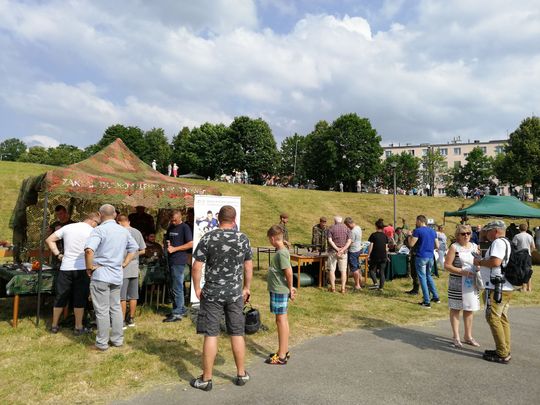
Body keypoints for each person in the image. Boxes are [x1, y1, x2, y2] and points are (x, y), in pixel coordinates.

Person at [190, 205, 253, 391]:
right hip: (234, 294)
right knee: (237, 332)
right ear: (234, 219)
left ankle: (206, 379)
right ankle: (241, 374)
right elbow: (248, 267)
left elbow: (196, 267)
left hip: (212, 294)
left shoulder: (208, 237)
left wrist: (197, 289)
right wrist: (246, 288)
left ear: (218, 219)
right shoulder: (242, 238)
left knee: (211, 334)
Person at [84, 204, 138, 351]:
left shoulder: (99, 230)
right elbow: (134, 248)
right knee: (115, 308)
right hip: (116, 275)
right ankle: (117, 340)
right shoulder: (124, 231)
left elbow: (89, 251)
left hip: (101, 274)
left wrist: (89, 268)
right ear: (115, 215)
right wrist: (124, 263)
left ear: (99, 215)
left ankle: (102, 343)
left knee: (102, 310)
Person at [45, 212, 101, 334]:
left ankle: (54, 325)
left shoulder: (68, 227)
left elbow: (49, 240)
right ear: (93, 221)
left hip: (65, 267)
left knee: (60, 296)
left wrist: (58, 255)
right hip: (83, 268)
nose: (97, 226)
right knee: (79, 297)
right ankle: (78, 327)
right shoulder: (93, 231)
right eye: (97, 223)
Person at [473, 220, 513, 364]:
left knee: (493, 318)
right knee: (502, 318)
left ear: (495, 231)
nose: (486, 234)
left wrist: (480, 262)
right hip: (505, 286)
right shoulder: (507, 242)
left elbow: (496, 262)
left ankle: (502, 353)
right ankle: (504, 349)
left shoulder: (498, 243)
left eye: (488, 231)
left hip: (496, 287)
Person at [444, 224, 481, 348]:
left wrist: (479, 266)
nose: (466, 236)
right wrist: (462, 272)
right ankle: (456, 336)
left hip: (471, 283)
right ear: (458, 235)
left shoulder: (475, 246)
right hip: (457, 283)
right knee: (456, 308)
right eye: (463, 234)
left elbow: (478, 261)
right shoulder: (454, 247)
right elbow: (447, 265)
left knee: (469, 309)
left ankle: (468, 336)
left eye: (468, 233)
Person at [265, 225, 296, 365]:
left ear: (273, 238)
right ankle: (283, 350)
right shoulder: (281, 251)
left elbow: (288, 271)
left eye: (269, 239)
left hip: (280, 290)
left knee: (280, 321)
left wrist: (290, 288)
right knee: (282, 320)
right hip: (278, 289)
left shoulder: (282, 253)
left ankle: (282, 356)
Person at [163, 210, 193, 322]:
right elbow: (168, 240)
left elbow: (191, 243)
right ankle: (180, 308)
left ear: (180, 218)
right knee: (173, 286)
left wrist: (175, 249)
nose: (173, 222)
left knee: (177, 287)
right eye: (172, 220)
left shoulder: (185, 227)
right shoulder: (171, 227)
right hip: (170, 259)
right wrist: (167, 244)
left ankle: (177, 313)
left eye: (175, 220)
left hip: (179, 260)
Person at [117, 214, 146, 327]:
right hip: (134, 267)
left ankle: (122, 320)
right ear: (128, 221)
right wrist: (134, 255)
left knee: (122, 296)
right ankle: (131, 319)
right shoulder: (137, 232)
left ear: (119, 222)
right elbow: (143, 250)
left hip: (123, 266)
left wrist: (127, 258)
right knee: (133, 295)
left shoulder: (119, 232)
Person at [408, 215, 441, 308]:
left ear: (419, 221)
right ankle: (436, 297)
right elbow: (437, 246)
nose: (415, 223)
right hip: (430, 256)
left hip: (421, 256)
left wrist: (409, 235)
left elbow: (411, 244)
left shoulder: (418, 231)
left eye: (416, 221)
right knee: (428, 276)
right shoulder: (433, 231)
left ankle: (426, 301)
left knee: (422, 278)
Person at [327, 216, 352, 293]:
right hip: (343, 252)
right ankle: (343, 288)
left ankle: (333, 288)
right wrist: (342, 250)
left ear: (335, 221)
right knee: (343, 271)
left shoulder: (331, 228)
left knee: (332, 270)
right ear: (341, 221)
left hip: (333, 251)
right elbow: (349, 241)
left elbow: (330, 240)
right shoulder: (347, 229)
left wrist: (337, 249)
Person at [512, 223, 535, 292]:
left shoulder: (517, 236)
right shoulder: (530, 236)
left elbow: (513, 246)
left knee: (521, 271)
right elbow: (533, 247)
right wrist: (529, 252)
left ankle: (523, 287)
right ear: (526, 229)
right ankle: (529, 287)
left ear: (519, 229)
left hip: (519, 255)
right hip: (528, 255)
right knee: (528, 271)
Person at [367, 218, 389, 290]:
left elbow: (371, 245)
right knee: (382, 272)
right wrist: (387, 256)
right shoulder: (385, 236)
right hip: (383, 256)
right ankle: (381, 287)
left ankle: (375, 283)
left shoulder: (373, 235)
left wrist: (368, 255)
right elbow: (386, 248)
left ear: (376, 226)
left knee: (371, 270)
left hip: (375, 255)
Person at [344, 217, 363, 291]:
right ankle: (360, 282)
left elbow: (350, 242)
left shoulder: (352, 232)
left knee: (354, 268)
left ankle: (357, 285)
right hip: (359, 249)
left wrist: (344, 248)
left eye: (347, 225)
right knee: (357, 267)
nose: (347, 227)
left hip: (353, 251)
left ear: (349, 224)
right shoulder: (358, 227)